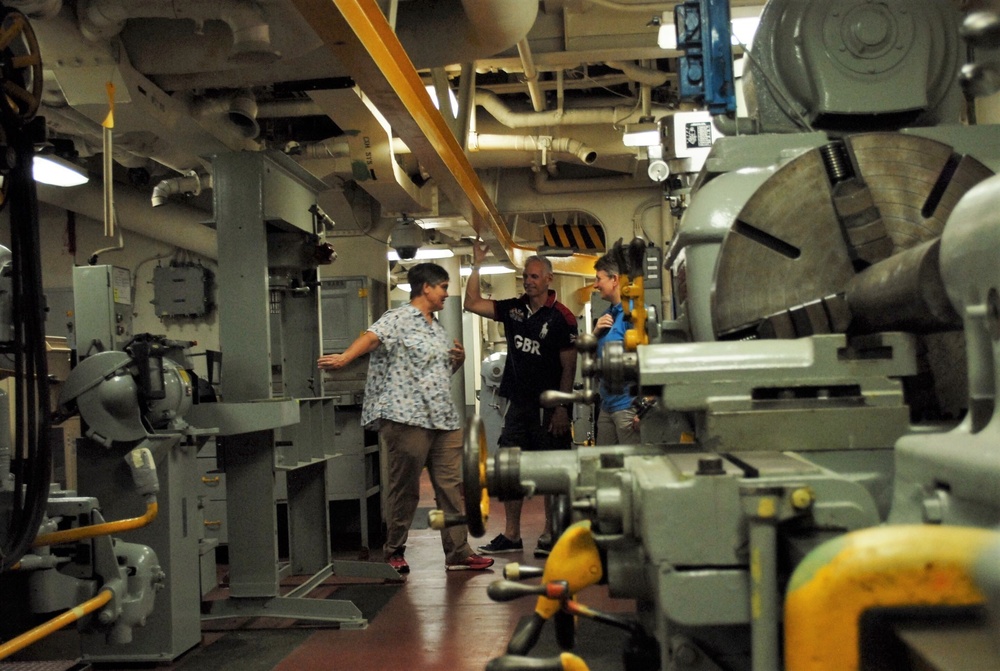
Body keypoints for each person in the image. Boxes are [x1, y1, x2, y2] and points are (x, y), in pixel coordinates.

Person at [317, 263, 494, 574]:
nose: (446, 293)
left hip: (441, 417)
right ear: (425, 287)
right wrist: (346, 357)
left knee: (452, 486)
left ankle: (458, 551)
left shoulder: (436, 328)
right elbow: (373, 338)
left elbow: (435, 374)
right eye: (442, 287)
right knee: (406, 487)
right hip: (405, 417)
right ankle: (394, 550)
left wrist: (458, 361)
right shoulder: (397, 318)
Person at [463, 244, 578, 558]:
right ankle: (512, 534)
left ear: (548, 279)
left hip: (549, 410)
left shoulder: (562, 318)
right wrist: (476, 264)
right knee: (511, 470)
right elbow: (472, 303)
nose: (529, 281)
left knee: (551, 472)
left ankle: (550, 533)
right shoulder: (513, 310)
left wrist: (561, 409)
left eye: (535, 276)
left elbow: (569, 367)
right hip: (518, 406)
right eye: (526, 276)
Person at [592, 253, 640, 445]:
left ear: (614, 280)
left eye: (598, 279)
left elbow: (647, 360)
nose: (595, 285)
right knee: (604, 465)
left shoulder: (634, 314)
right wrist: (594, 334)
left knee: (633, 466)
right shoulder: (607, 315)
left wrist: (644, 410)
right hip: (607, 406)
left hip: (628, 408)